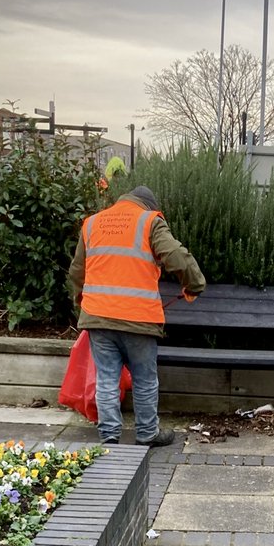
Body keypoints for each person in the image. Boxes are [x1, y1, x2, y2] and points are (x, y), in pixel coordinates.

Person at [69, 185, 206, 446]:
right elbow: (176, 255)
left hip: (98, 316)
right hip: (137, 319)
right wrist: (194, 284)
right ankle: (147, 434)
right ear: (149, 206)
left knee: (107, 378)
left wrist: (82, 302)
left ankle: (109, 436)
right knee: (144, 378)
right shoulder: (149, 221)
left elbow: (77, 270)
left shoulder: (92, 223)